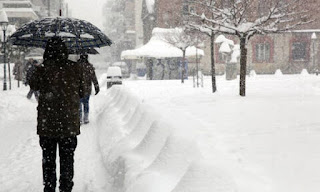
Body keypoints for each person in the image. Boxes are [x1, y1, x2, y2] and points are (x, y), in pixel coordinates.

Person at [29, 37, 84, 192]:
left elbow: (33, 85)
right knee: (67, 159)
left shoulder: (43, 69)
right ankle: (66, 187)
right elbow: (82, 91)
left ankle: (49, 187)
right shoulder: (75, 68)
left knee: (48, 160)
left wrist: (40, 69)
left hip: (47, 124)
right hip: (68, 124)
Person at [78, 54, 100, 124]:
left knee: (79, 104)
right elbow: (94, 78)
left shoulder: (76, 66)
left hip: (78, 88)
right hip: (87, 88)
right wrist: (96, 87)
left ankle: (80, 118)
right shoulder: (89, 67)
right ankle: (86, 118)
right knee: (86, 103)